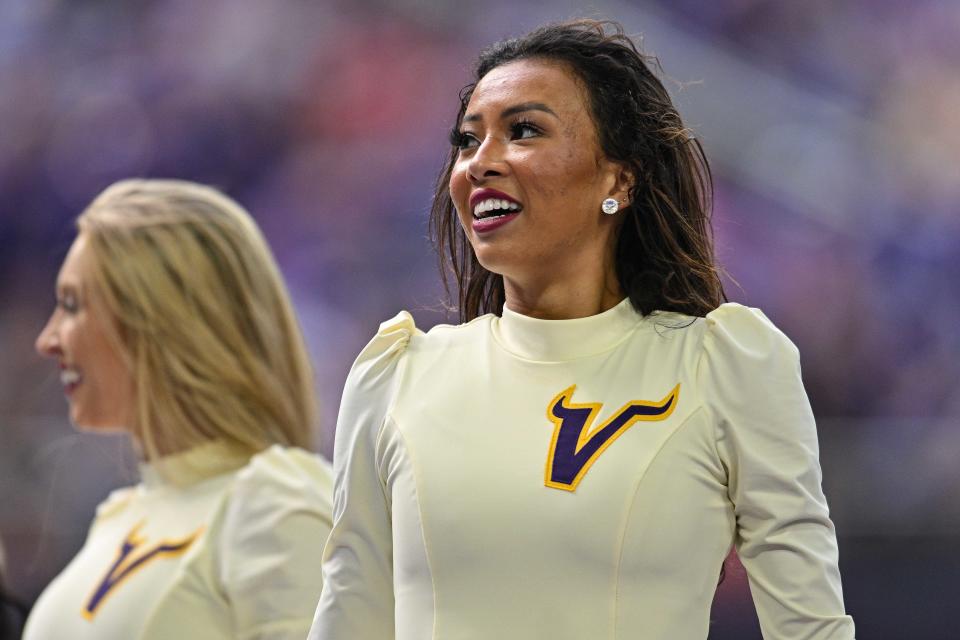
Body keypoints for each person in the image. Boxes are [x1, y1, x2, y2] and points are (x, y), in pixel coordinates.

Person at [310, 19, 855, 640]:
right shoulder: (394, 376)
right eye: (466, 141)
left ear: (618, 179)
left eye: (523, 131)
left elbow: (810, 628)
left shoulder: (723, 365)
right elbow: (347, 617)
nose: (481, 163)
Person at [26, 179, 334, 640]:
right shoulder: (118, 517)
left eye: (72, 306)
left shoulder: (277, 503)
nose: (47, 340)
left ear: (157, 317)